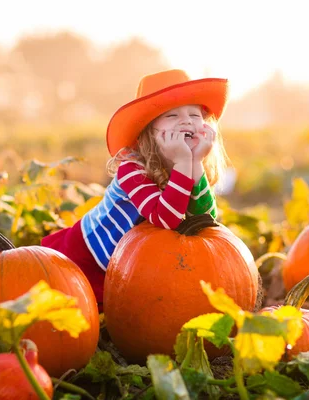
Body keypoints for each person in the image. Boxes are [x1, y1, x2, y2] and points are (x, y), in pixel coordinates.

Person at [41, 69, 231, 311]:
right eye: (172, 115)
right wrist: (184, 163)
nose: (186, 121)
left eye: (194, 115)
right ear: (147, 133)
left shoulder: (188, 163)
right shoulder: (131, 168)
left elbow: (206, 220)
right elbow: (166, 218)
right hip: (87, 258)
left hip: (128, 264)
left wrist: (195, 164)